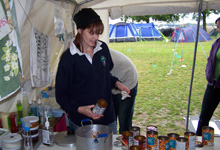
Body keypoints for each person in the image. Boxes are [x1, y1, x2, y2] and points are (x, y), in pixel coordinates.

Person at [55, 8, 130, 134]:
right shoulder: (68, 59)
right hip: (82, 122)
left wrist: (118, 84)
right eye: (91, 33)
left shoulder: (103, 48)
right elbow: (61, 96)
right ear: (79, 30)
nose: (95, 37)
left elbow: (105, 75)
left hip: (108, 119)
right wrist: (79, 109)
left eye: (98, 33)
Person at [196, 17, 220, 136]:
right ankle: (198, 141)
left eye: (219, 27)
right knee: (204, 116)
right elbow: (210, 59)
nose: (217, 29)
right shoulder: (217, 42)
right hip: (212, 85)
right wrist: (208, 73)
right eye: (217, 26)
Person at [109, 49, 138, 134]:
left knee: (124, 121)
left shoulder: (98, 55)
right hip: (114, 83)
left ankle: (125, 143)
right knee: (111, 120)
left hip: (127, 81)